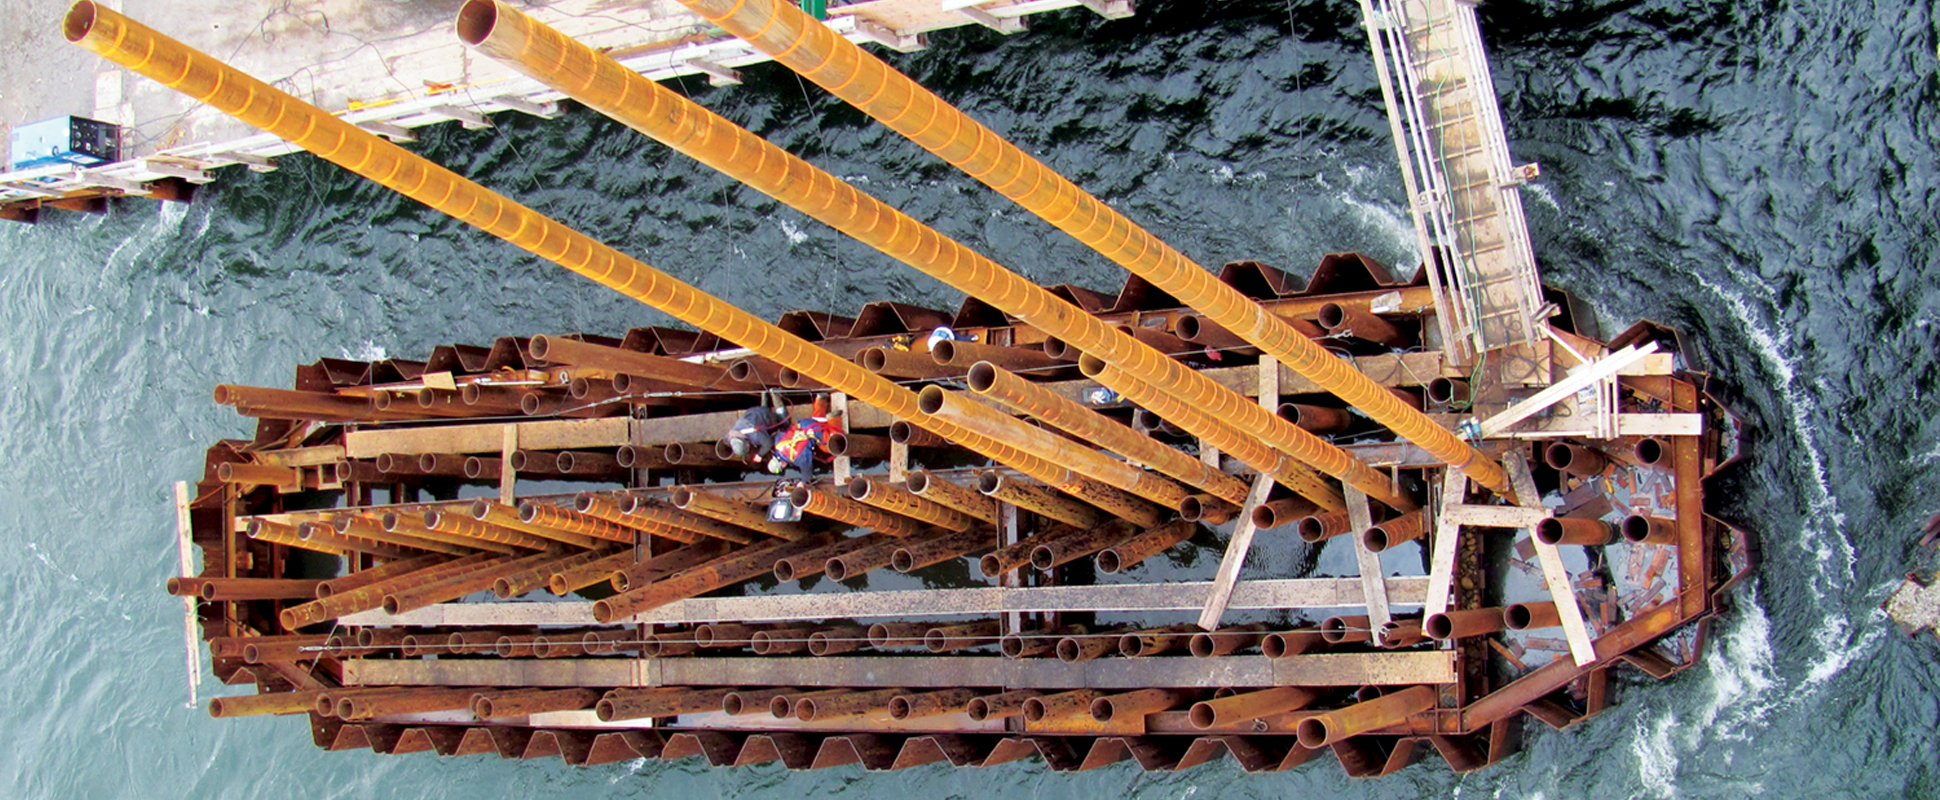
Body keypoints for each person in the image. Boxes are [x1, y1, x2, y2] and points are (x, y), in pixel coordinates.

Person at [767, 395, 841, 480]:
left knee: (831, 444)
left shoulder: (798, 458)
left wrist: (804, 482)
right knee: (817, 420)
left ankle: (833, 418)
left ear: (782, 465)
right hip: (804, 424)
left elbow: (807, 472)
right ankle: (820, 400)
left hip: (813, 432)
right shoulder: (777, 443)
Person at [724, 396, 788, 465]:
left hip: (765, 416)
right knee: (762, 414)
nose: (748, 445)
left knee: (784, 424)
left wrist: (760, 455)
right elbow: (726, 439)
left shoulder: (755, 435)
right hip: (753, 413)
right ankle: (764, 396)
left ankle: (779, 406)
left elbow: (769, 442)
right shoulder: (731, 434)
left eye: (746, 445)